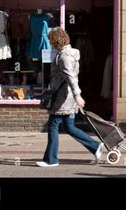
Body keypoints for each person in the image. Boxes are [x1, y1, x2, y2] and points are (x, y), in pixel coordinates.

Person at [36, 27, 103, 167]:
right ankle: (95, 146)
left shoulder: (64, 56)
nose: (50, 43)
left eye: (50, 40)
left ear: (55, 41)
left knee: (53, 126)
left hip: (62, 98)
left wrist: (78, 95)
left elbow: (71, 77)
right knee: (69, 127)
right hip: (68, 97)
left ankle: (51, 160)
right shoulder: (70, 53)